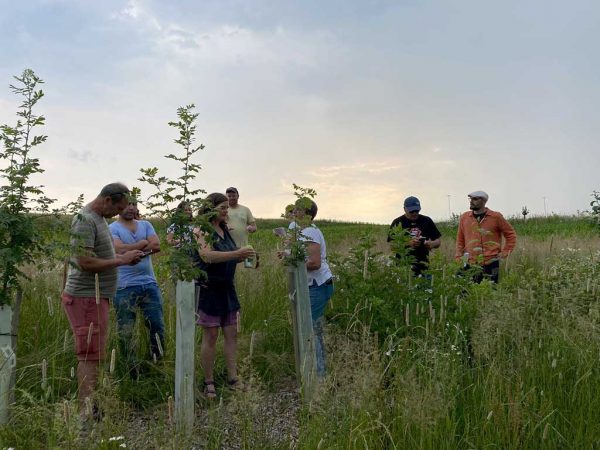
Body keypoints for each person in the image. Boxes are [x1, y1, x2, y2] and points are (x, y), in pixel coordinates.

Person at [62, 183, 144, 420]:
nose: (118, 213)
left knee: (95, 352)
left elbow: (101, 257)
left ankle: (92, 405)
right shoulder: (85, 220)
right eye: (117, 208)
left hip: (96, 297)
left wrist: (124, 257)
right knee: (89, 354)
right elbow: (84, 262)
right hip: (86, 297)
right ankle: (86, 412)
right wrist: (121, 261)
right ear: (107, 200)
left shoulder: (99, 220)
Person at [196, 193, 255, 398]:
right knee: (211, 335)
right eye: (222, 207)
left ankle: (233, 377)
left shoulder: (224, 230)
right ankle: (208, 381)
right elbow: (207, 255)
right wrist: (236, 254)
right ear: (210, 209)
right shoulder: (201, 230)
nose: (225, 210)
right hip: (209, 290)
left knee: (231, 334)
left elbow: (229, 257)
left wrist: (245, 256)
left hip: (227, 289)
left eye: (226, 208)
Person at [109, 201, 164, 375]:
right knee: (126, 330)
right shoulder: (112, 228)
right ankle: (131, 369)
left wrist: (130, 249)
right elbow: (116, 248)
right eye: (126, 204)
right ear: (118, 207)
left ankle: (158, 363)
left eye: (133, 204)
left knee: (157, 325)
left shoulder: (146, 224)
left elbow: (156, 246)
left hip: (149, 284)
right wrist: (141, 244)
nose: (131, 208)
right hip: (124, 286)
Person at [293, 197, 334, 378]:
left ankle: (318, 376)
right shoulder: (303, 231)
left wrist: (292, 262)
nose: (294, 212)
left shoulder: (310, 231)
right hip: (315, 285)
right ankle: (316, 370)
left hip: (317, 285)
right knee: (313, 327)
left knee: (310, 329)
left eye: (298, 209)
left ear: (307, 214)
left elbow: (315, 263)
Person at [455, 191, 517, 283]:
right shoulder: (465, 217)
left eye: (475, 199)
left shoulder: (496, 217)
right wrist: (459, 256)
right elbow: (460, 239)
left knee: (490, 291)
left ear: (484, 201)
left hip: (490, 262)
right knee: (464, 291)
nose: (471, 201)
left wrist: (504, 253)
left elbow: (511, 235)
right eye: (470, 199)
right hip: (469, 261)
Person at [387, 196, 442, 276]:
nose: (414, 213)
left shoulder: (427, 221)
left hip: (424, 269)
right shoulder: (397, 222)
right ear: (404, 209)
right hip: (403, 269)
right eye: (411, 211)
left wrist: (431, 244)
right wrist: (409, 243)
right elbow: (391, 246)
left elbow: (438, 241)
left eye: (417, 210)